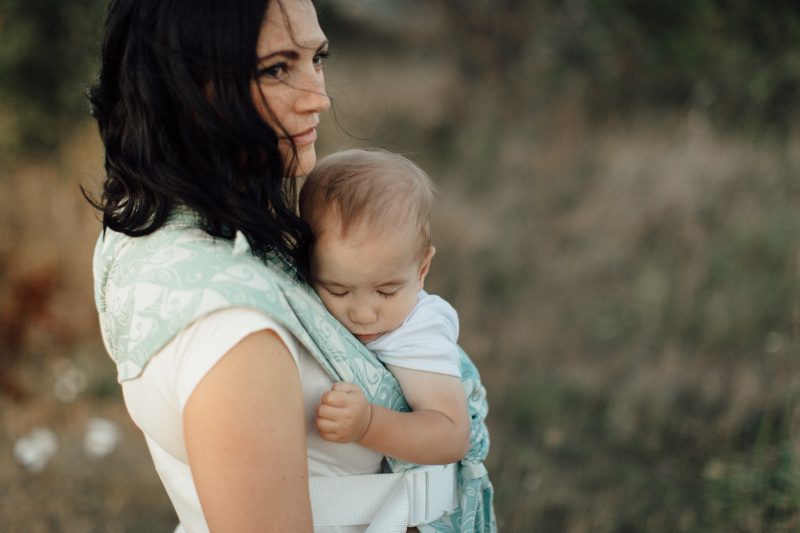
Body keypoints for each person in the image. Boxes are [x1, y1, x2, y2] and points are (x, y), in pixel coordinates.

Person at [87, 0, 494, 531]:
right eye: (277, 68)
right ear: (184, 84)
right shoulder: (236, 335)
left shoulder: (141, 229)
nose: (320, 98)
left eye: (317, 58)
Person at [300, 149, 496, 531]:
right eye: (337, 290)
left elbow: (451, 434)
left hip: (432, 512)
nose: (363, 313)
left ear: (422, 270)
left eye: (387, 291)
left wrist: (368, 424)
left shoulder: (419, 330)